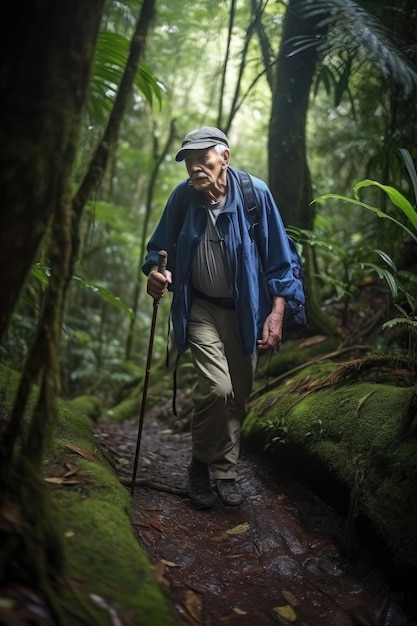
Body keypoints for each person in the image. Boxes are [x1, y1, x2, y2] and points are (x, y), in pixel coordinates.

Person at [142, 127, 298, 510]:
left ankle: (225, 472)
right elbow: (156, 251)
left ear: (224, 156)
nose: (196, 167)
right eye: (189, 161)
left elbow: (281, 261)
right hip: (200, 308)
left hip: (247, 313)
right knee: (217, 388)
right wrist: (156, 274)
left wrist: (276, 316)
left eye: (203, 157)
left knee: (238, 396)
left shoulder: (254, 195)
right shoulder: (183, 199)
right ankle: (199, 463)